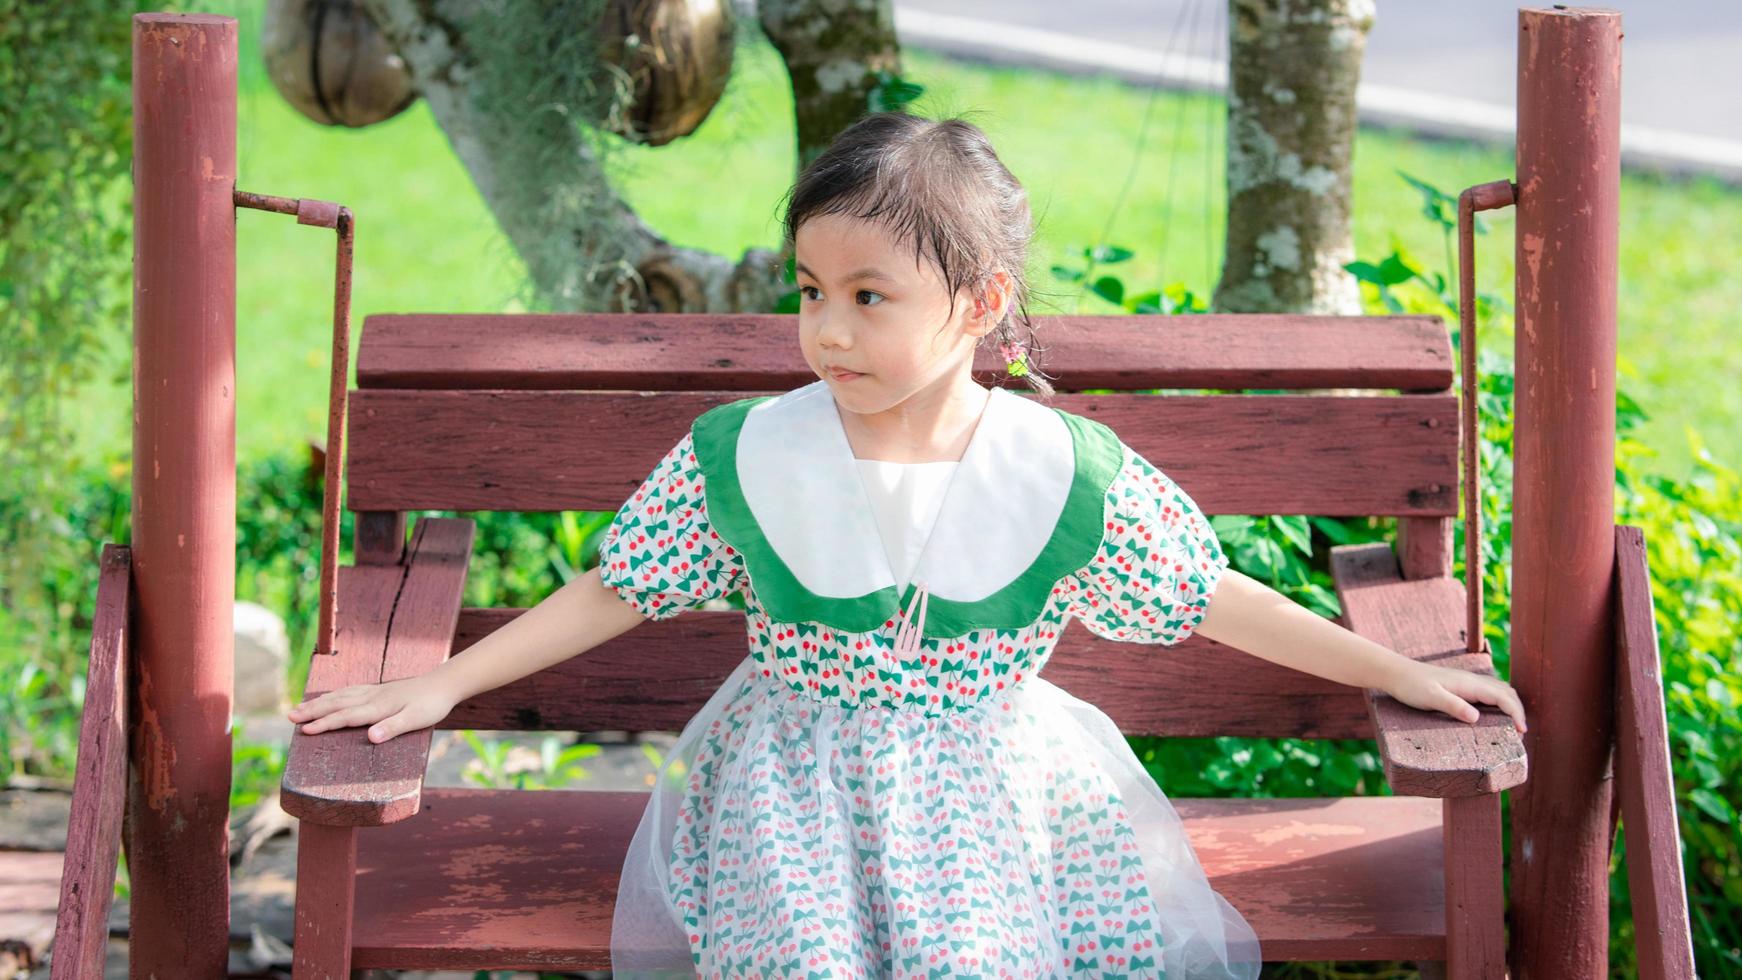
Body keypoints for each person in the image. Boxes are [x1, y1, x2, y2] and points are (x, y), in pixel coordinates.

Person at [287, 111, 1528, 979]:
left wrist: (1394, 669)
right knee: (801, 962)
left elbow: (1206, 595)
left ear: (979, 304)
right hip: (787, 786)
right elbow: (618, 586)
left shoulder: (1057, 471)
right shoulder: (748, 452)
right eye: (808, 291)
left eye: (867, 296)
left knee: (976, 961)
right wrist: (444, 677)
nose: (825, 329)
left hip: (992, 789)